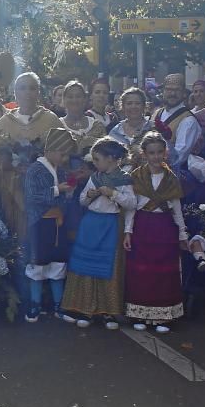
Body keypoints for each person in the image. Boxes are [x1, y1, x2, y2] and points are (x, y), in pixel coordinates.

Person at [61, 137, 134, 329]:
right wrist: (90, 195)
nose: (94, 163)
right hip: (91, 223)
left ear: (111, 158)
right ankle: (85, 309)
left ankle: (108, 311)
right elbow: (82, 201)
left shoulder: (125, 179)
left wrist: (113, 193)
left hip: (111, 225)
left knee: (107, 266)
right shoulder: (95, 178)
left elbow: (131, 204)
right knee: (85, 265)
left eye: (97, 159)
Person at [124, 132, 188, 332]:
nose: (156, 156)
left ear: (165, 153)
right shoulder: (136, 177)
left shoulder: (171, 178)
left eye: (160, 152)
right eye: (151, 152)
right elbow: (131, 207)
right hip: (143, 226)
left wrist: (182, 235)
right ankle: (140, 314)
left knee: (163, 271)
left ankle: (162, 315)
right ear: (144, 154)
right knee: (141, 271)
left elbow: (177, 208)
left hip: (164, 227)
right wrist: (127, 232)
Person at [0, 72, 63, 239]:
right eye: (22, 88)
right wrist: (12, 165)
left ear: (38, 92)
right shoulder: (4, 122)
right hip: (11, 191)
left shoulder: (51, 120)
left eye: (32, 88)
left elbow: (63, 152)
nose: (27, 93)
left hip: (42, 189)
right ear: (15, 92)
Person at [21, 127, 77, 321]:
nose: (64, 158)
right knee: (38, 263)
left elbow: (65, 198)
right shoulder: (34, 170)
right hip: (40, 224)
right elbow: (31, 197)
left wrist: (68, 192)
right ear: (50, 150)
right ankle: (34, 304)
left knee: (58, 263)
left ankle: (58, 305)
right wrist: (56, 189)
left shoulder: (60, 171)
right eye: (62, 153)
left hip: (58, 224)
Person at [152, 74, 200, 169]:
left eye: (177, 90)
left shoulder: (188, 120)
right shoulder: (157, 113)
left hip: (173, 176)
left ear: (184, 93)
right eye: (169, 89)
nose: (172, 94)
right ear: (163, 92)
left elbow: (179, 157)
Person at [59, 81, 107, 156]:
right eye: (70, 97)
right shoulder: (58, 126)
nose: (74, 100)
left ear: (85, 99)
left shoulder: (97, 126)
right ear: (64, 100)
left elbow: (106, 153)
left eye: (78, 96)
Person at [108, 87, 151, 168]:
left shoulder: (153, 128)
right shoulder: (115, 132)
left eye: (137, 103)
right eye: (129, 103)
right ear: (123, 106)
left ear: (144, 106)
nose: (133, 106)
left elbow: (170, 156)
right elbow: (108, 161)